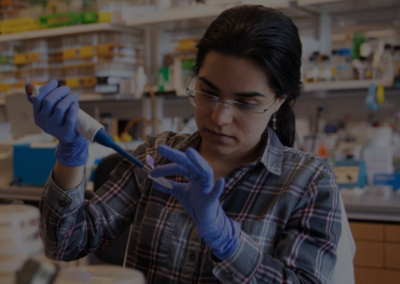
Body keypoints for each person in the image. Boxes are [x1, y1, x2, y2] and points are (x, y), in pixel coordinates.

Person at [27, 5, 343, 283]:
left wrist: (224, 238)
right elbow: (64, 243)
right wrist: (71, 149)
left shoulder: (308, 183)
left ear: (279, 100)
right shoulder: (157, 158)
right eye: (208, 92)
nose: (219, 117)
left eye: (245, 103)